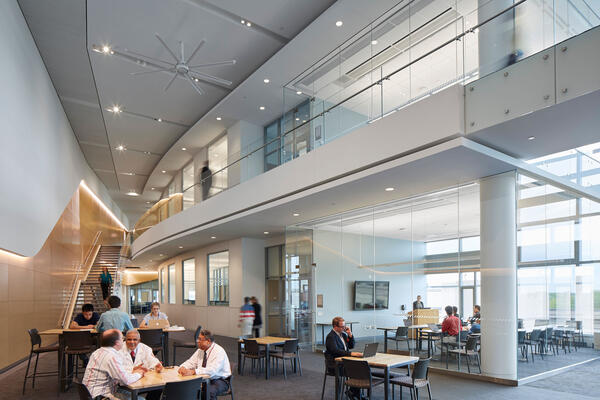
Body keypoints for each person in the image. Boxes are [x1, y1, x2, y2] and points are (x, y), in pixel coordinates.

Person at [82, 329, 146, 399]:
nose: (123, 341)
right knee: (141, 399)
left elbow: (117, 372)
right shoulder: (112, 356)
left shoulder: (97, 352)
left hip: (89, 394)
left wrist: (132, 370)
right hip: (101, 396)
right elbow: (126, 380)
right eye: (122, 338)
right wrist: (140, 374)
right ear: (117, 342)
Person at [178, 329, 231, 400]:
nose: (197, 341)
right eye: (198, 339)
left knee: (208, 392)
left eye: (200, 339)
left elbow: (212, 371)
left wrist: (194, 371)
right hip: (204, 378)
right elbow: (191, 362)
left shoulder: (219, 351)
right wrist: (183, 367)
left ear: (208, 341)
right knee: (188, 388)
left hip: (219, 380)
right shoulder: (200, 350)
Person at [325, 317, 362, 400]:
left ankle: (353, 392)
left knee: (361, 369)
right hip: (335, 365)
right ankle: (353, 393)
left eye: (344, 326)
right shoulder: (331, 337)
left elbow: (351, 346)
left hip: (344, 363)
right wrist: (351, 354)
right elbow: (335, 351)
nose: (344, 328)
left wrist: (350, 335)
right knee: (358, 370)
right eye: (342, 327)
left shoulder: (344, 335)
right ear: (335, 326)